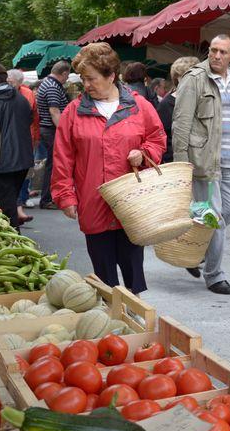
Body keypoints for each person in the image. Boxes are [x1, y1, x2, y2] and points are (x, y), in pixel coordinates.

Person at [51, 43, 166, 293]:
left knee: (133, 266)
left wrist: (144, 152)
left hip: (131, 203)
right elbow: (63, 157)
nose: (86, 85)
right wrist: (65, 195)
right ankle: (109, 314)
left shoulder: (139, 106)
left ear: (111, 76)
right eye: (83, 79)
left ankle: (135, 313)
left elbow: (157, 138)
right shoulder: (73, 112)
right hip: (93, 201)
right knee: (103, 275)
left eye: (91, 78)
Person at [172, 35, 230, 295]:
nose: (216, 56)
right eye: (213, 51)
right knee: (214, 217)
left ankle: (194, 248)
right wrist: (182, 164)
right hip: (203, 162)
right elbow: (181, 123)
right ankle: (214, 275)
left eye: (222, 52)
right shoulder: (194, 79)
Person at [0, 63, 34, 228]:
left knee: (6, 207)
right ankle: (14, 237)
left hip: (2, 162)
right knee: (10, 202)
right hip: (23, 160)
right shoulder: (22, 99)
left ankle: (14, 242)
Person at [36, 60, 71, 210]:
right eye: (67, 76)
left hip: (46, 129)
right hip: (51, 129)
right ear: (63, 73)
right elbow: (54, 111)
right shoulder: (52, 86)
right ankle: (47, 199)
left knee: (52, 163)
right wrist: (64, 132)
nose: (67, 79)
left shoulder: (46, 83)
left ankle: (48, 197)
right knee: (53, 165)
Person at [8, 68, 38, 224]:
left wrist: (36, 138)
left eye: (13, 83)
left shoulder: (27, 94)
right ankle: (16, 209)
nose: (10, 85)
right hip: (9, 141)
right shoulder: (2, 94)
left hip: (26, 138)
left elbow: (34, 117)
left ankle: (18, 206)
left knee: (23, 174)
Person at [157, 57, 199, 163]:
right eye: (183, 77)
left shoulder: (203, 101)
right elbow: (161, 137)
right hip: (174, 163)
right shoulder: (166, 104)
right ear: (176, 79)